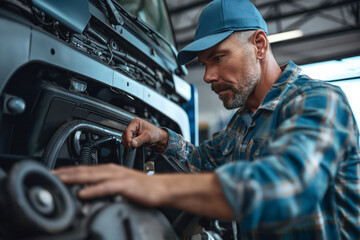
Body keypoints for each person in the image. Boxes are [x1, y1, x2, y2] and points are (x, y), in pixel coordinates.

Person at [53, 0, 360, 238]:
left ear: (260, 45)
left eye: (218, 58)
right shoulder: (243, 120)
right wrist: (160, 136)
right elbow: (203, 159)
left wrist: (151, 187)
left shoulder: (320, 101)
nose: (210, 76)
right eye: (204, 64)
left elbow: (291, 187)